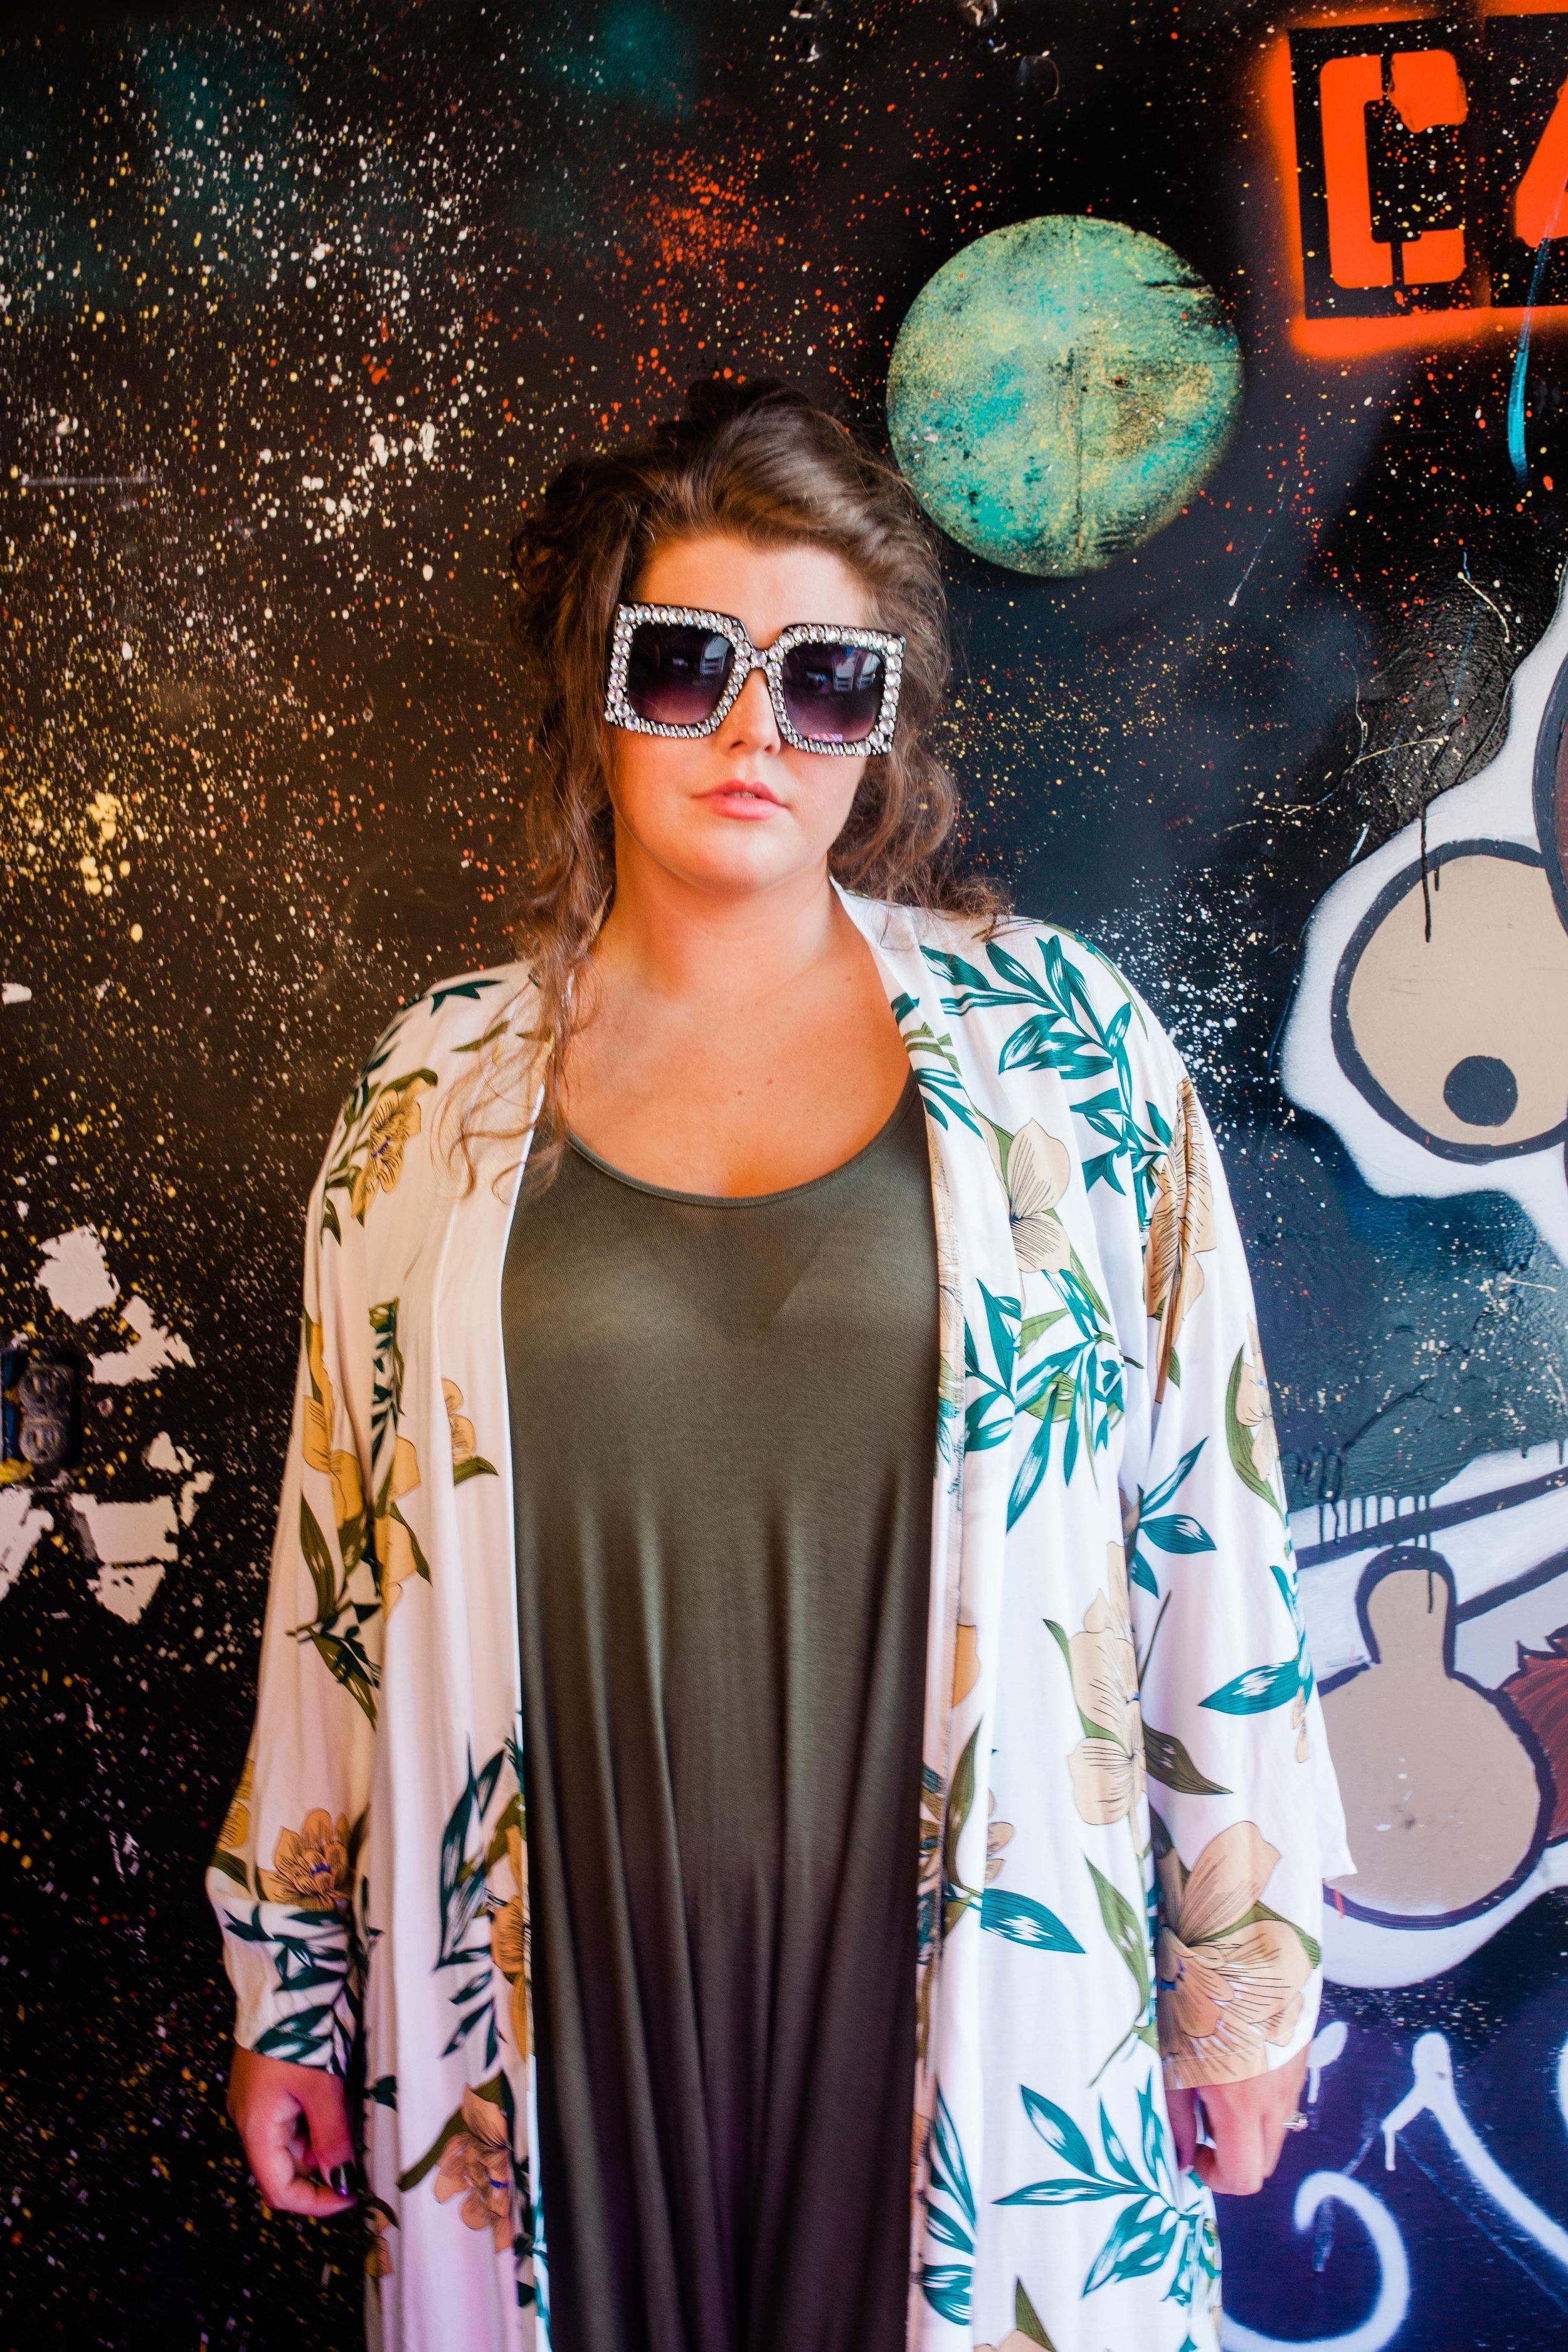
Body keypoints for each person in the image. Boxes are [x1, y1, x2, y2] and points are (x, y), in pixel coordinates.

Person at [211, 379, 1351, 2352]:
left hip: (984, 1981)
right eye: (688, 663)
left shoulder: (1060, 1052)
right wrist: (293, 1985)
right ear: (596, 690)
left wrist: (1236, 1977)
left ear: (878, 727)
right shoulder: (430, 1092)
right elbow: (336, 1568)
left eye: (828, 681)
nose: (757, 732)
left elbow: (1207, 1521)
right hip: (548, 1999)